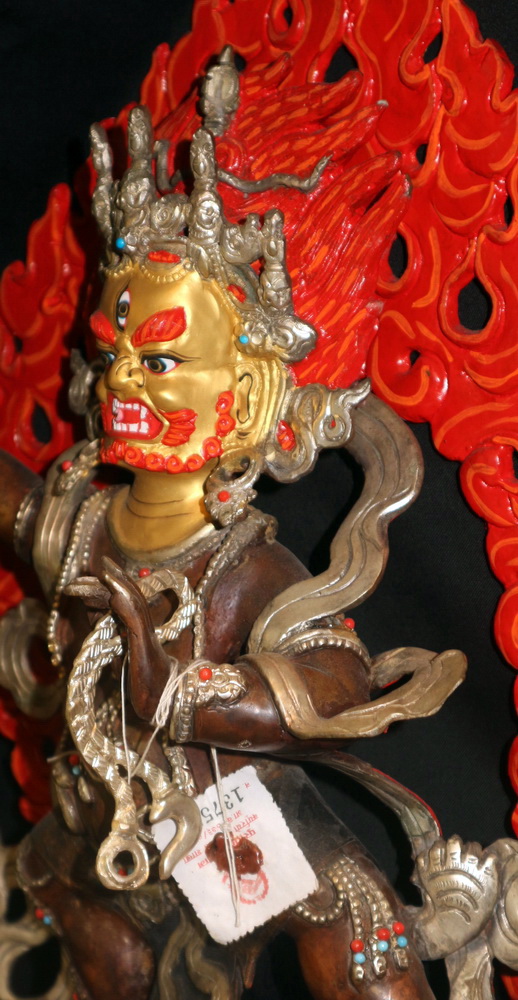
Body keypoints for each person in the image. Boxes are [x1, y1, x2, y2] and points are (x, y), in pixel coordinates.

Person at [0, 59, 508, 1000]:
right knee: (102, 953)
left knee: (357, 933)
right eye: (113, 355)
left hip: (225, 821)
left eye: (160, 361)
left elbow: (333, 678)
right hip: (94, 813)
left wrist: (182, 690)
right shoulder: (81, 522)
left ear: (247, 393)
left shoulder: (246, 565)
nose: (121, 380)